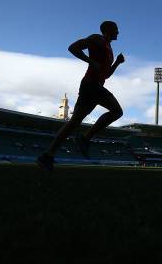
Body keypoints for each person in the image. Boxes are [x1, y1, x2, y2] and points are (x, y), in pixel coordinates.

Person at [37, 20, 124, 171]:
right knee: (78, 121)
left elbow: (106, 74)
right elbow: (73, 47)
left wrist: (117, 63)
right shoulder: (97, 39)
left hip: (97, 86)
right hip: (90, 86)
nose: (118, 32)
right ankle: (77, 142)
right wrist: (90, 61)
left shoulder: (109, 48)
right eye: (116, 29)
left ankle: (50, 154)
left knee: (77, 121)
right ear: (108, 30)